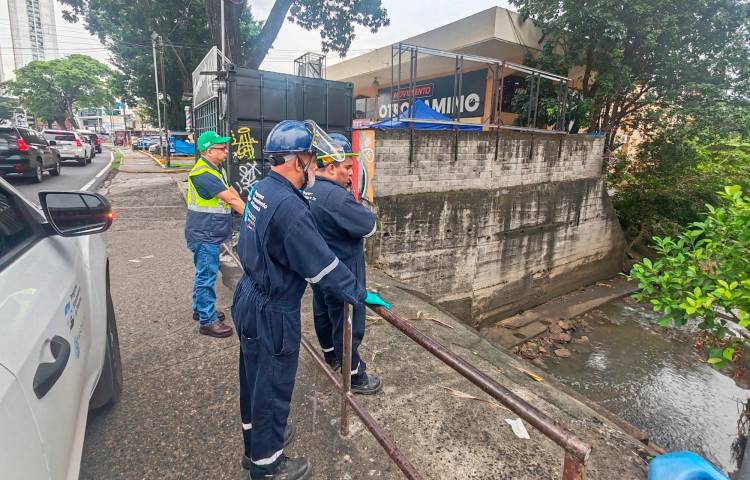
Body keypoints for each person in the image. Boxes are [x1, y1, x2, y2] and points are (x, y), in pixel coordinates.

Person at [231, 120, 389, 480]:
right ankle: (268, 466)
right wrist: (360, 294)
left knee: (253, 379)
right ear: (297, 161)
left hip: (249, 293)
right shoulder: (289, 207)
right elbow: (324, 268)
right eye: (311, 161)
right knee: (272, 387)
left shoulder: (261, 189)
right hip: (272, 307)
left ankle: (255, 444)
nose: (314, 169)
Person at [305, 133, 381, 394]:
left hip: (318, 267)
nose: (351, 174)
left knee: (322, 311)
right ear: (330, 166)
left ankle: (330, 355)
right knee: (347, 321)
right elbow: (369, 226)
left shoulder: (308, 188)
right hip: (344, 268)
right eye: (347, 168)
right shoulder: (336, 198)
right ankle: (355, 375)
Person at [185, 130, 245, 338]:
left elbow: (232, 193)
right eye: (221, 148)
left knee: (204, 273)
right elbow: (231, 200)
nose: (226, 151)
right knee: (206, 276)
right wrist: (254, 217)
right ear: (209, 151)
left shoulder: (215, 169)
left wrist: (244, 206)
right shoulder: (203, 174)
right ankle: (207, 321)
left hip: (209, 231)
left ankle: (200, 309)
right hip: (204, 234)